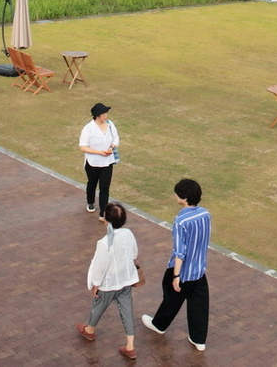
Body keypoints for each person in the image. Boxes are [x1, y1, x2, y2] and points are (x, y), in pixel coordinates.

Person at [141, 178, 211, 352]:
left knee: (171, 299)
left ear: (184, 197)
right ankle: (199, 339)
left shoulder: (180, 221)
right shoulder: (205, 214)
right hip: (199, 269)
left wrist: (176, 276)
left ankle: (159, 325)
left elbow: (180, 252)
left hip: (183, 271)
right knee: (199, 305)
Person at [75, 203, 140, 360]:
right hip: (125, 280)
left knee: (99, 306)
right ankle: (130, 346)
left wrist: (95, 284)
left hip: (109, 284)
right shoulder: (128, 234)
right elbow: (134, 253)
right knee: (127, 311)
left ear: (106, 220)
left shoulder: (104, 243)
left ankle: (90, 330)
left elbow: (99, 266)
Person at [78, 102, 119, 220]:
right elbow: (83, 146)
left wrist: (112, 146)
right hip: (93, 163)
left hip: (107, 162)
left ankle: (103, 212)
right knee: (92, 183)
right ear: (97, 115)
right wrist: (100, 153)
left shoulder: (110, 125)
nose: (106, 115)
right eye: (103, 113)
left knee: (104, 188)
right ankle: (90, 201)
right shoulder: (88, 129)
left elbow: (116, 137)